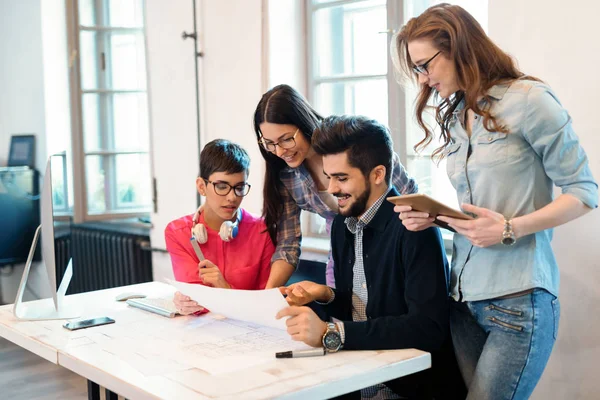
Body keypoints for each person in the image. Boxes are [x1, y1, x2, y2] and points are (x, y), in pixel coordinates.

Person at [392, 4, 598, 399]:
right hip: (463, 300)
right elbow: (477, 215)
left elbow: (585, 192)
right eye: (416, 69)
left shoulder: (529, 100)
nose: (423, 79)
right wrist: (434, 218)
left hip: (518, 301)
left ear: (459, 47)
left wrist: (510, 228)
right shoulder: (456, 115)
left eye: (426, 65)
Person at [276, 115, 465, 399]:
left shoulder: (415, 226)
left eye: (342, 178)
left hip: (409, 386)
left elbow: (427, 328)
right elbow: (365, 311)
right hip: (358, 377)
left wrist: (332, 332)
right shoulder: (343, 224)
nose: (332, 189)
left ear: (377, 174)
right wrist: (326, 296)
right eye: (329, 177)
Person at [254, 84, 417, 289]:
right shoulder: (286, 176)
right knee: (341, 313)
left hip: (388, 247)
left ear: (303, 123)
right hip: (343, 254)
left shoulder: (350, 143)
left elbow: (410, 197)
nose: (279, 151)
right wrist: (267, 295)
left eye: (286, 139)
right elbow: (288, 244)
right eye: (269, 143)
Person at [165, 139, 275, 315]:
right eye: (222, 186)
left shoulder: (262, 231)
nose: (232, 197)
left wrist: (224, 288)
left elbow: (267, 303)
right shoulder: (177, 233)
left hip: (250, 330)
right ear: (202, 186)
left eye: (239, 187)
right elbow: (198, 302)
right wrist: (186, 301)